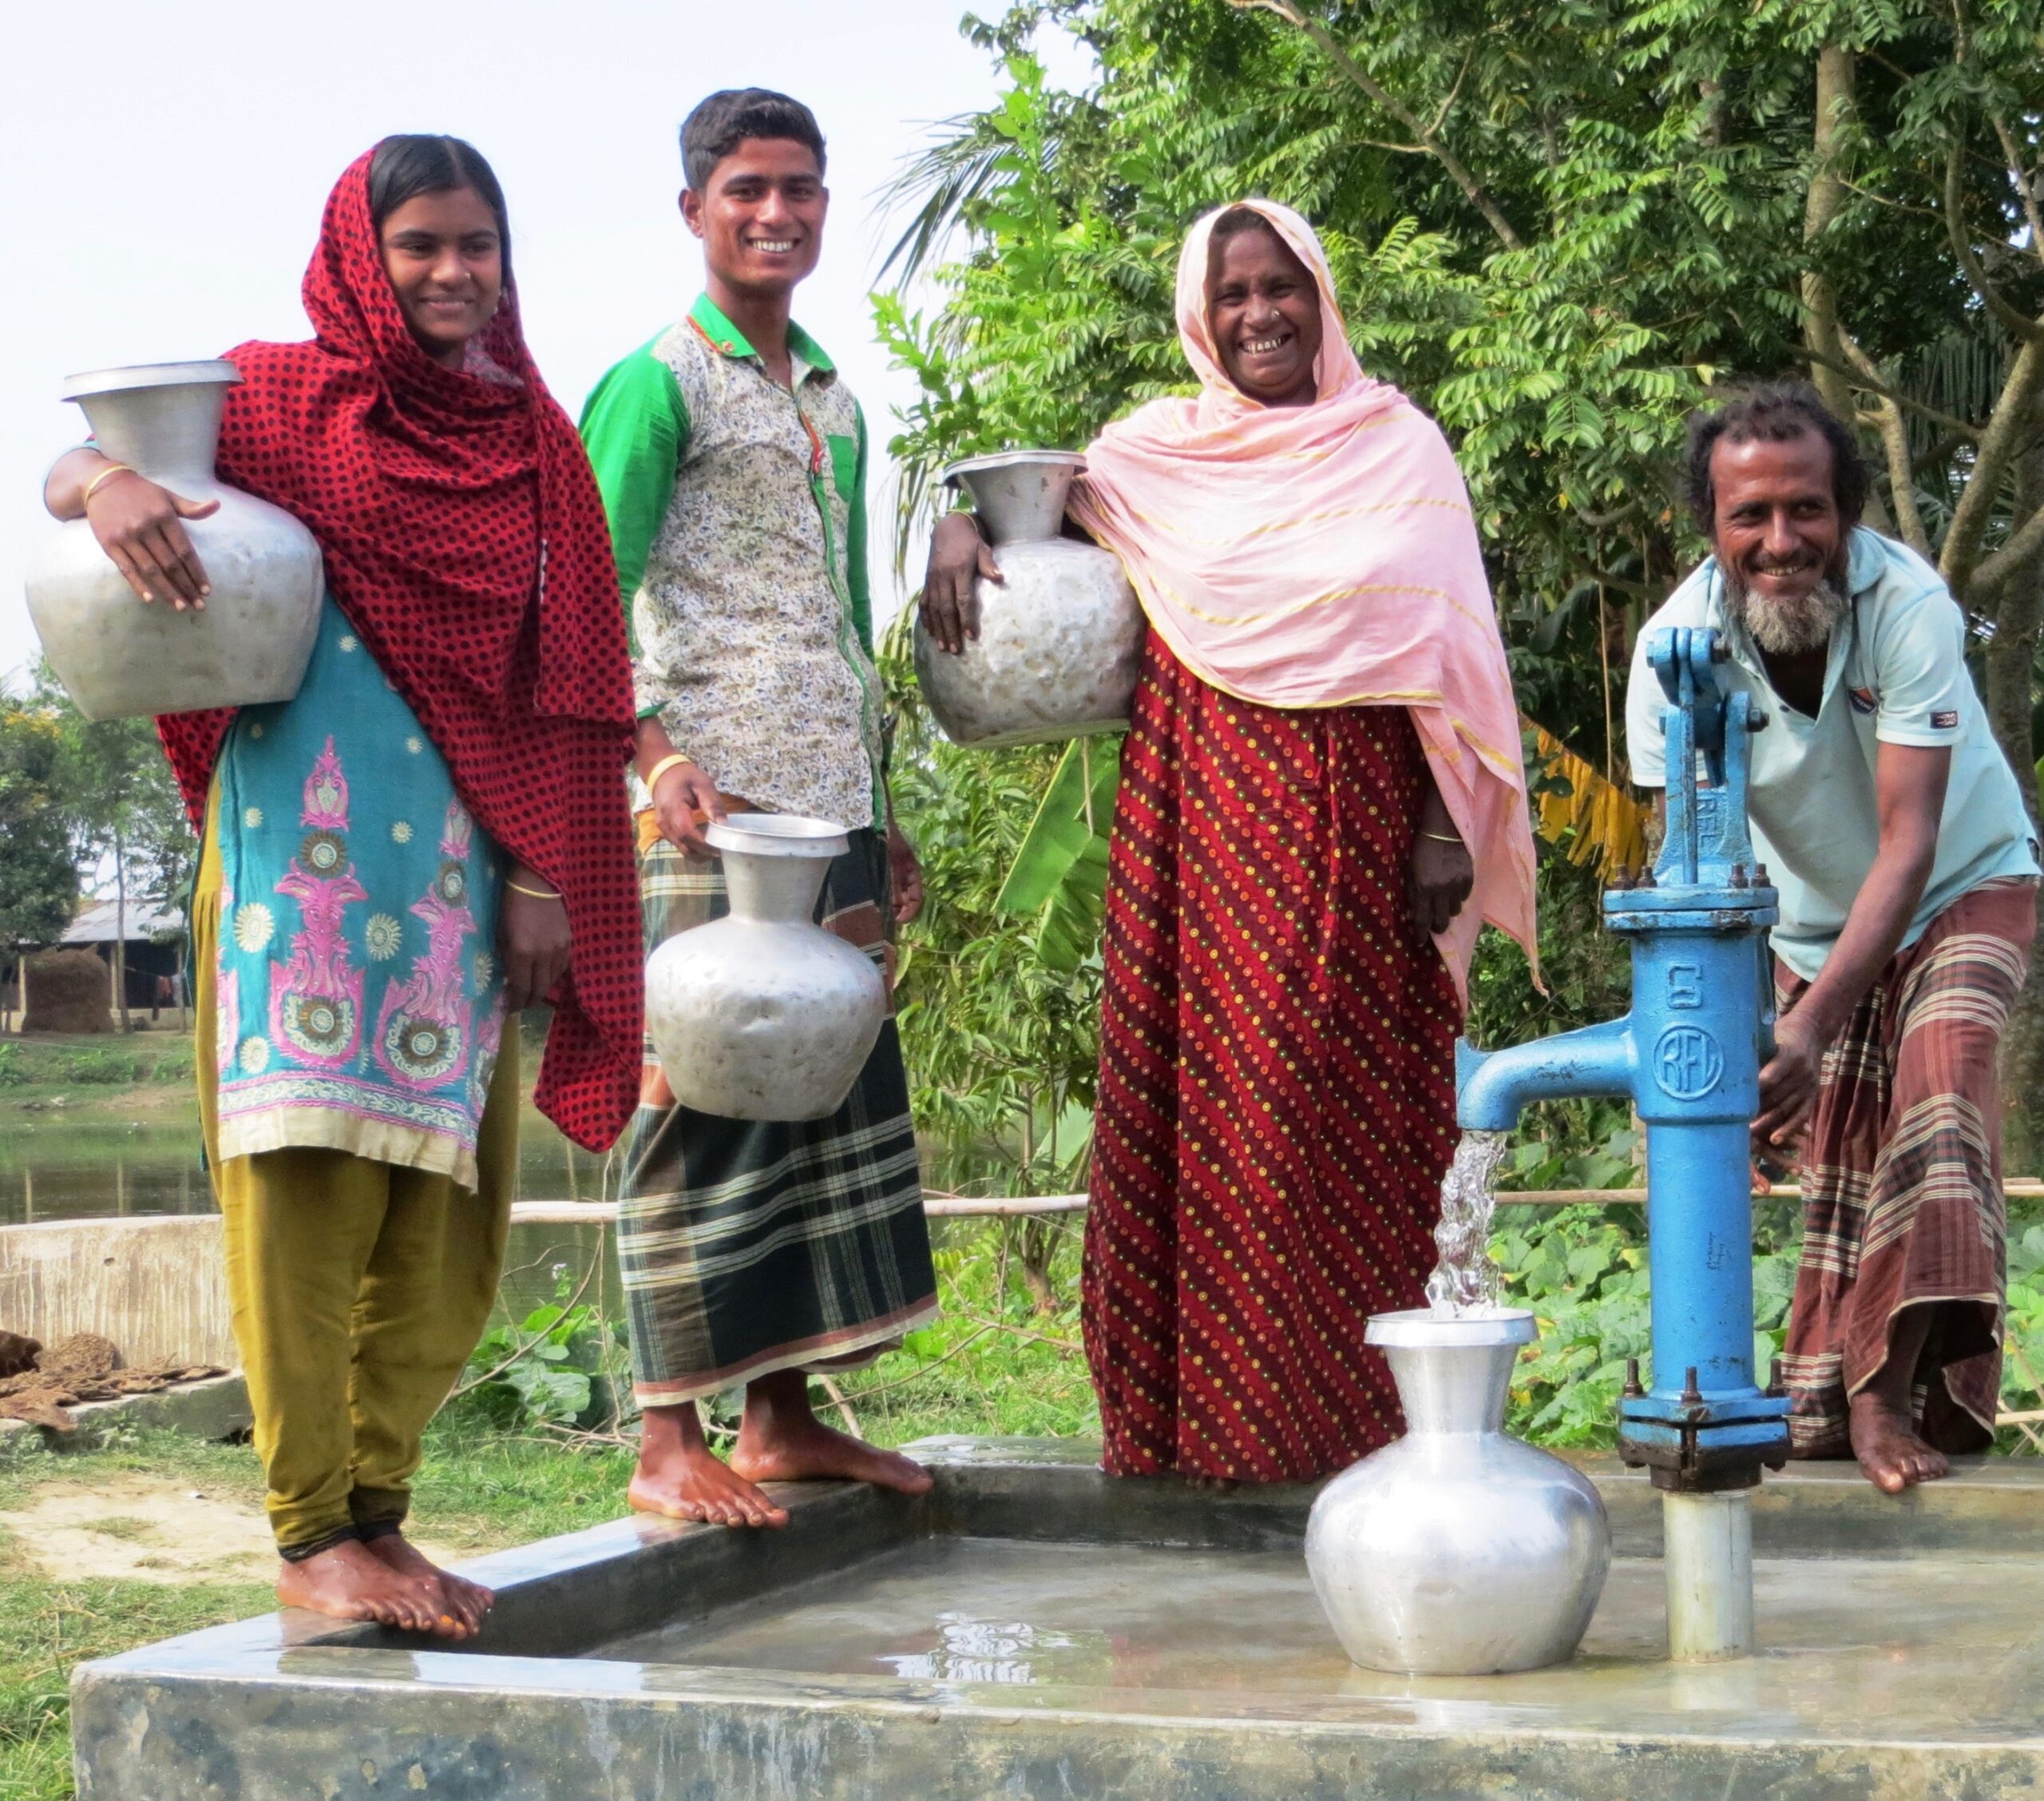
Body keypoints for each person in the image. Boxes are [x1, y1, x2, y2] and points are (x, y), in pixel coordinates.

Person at [42, 137, 643, 1630]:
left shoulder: (535, 446)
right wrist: (106, 484)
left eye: (477, 247)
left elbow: (560, 686)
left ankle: (382, 1514)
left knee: (446, 1222)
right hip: (293, 881)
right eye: (420, 246)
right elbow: (74, 455)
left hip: (461, 880)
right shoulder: (272, 403)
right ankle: (311, 1531)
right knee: (306, 1197)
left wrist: (546, 874)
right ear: (358, 256)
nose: (451, 275)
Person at [925, 200, 1538, 1482]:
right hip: (1196, 822)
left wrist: (1442, 821)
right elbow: (1029, 522)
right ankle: (1199, 1436)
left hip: (1362, 822)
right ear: (1199, 321)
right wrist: (953, 523)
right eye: (1235, 295)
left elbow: (1450, 645)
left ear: (1321, 296)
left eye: (1283, 288)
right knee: (1200, 1107)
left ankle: (1363, 1436)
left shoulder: (1397, 444)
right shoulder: (1150, 458)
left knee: (1337, 1113)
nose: (1262, 314)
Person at [578, 89, 937, 1528]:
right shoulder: (655, 382)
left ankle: (780, 1417)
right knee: (698, 1099)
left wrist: (882, 805)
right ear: (694, 212)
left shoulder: (837, 398)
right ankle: (668, 1437)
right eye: (746, 192)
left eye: (797, 189)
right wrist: (654, 759)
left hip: (830, 805)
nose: (775, 214)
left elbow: (843, 619)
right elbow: (586, 605)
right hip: (704, 814)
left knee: (823, 1105)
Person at [1627, 382, 2040, 1493]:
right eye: (1748, 517)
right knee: (1842, 1158)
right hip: (1811, 918)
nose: (1780, 543)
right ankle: (1830, 1394)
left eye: (1805, 511)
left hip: (1967, 879)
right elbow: (1697, 871)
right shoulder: (1675, 652)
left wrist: (1811, 1024)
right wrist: (1737, 1029)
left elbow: (1909, 847)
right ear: (1710, 528)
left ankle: (1879, 1397)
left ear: (1846, 510)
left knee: (1942, 1088)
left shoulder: (1909, 608)